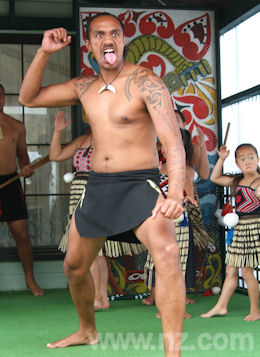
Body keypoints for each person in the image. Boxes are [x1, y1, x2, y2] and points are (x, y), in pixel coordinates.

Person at [19, 13, 186, 356]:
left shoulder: (147, 82)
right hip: (98, 187)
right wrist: (44, 52)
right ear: (91, 45)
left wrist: (175, 191)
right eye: (99, 35)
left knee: (168, 252)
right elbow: (28, 98)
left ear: (122, 40)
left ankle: (173, 353)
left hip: (140, 184)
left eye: (114, 34)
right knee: (74, 267)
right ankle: (87, 330)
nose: (107, 39)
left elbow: (173, 142)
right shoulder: (84, 87)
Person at [201, 143, 260, 321]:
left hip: (253, 228)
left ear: (257, 159)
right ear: (237, 163)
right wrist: (221, 158)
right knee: (231, 269)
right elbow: (215, 177)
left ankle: (255, 311)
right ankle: (221, 306)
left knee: (247, 271)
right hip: (239, 229)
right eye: (242, 159)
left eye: (251, 157)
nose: (247, 161)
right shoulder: (237, 180)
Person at [0, 83, 43, 296]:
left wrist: (26, 166)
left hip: (11, 183)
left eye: (0, 95)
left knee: (22, 234)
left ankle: (30, 281)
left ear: (4, 98)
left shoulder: (16, 126)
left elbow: (22, 154)